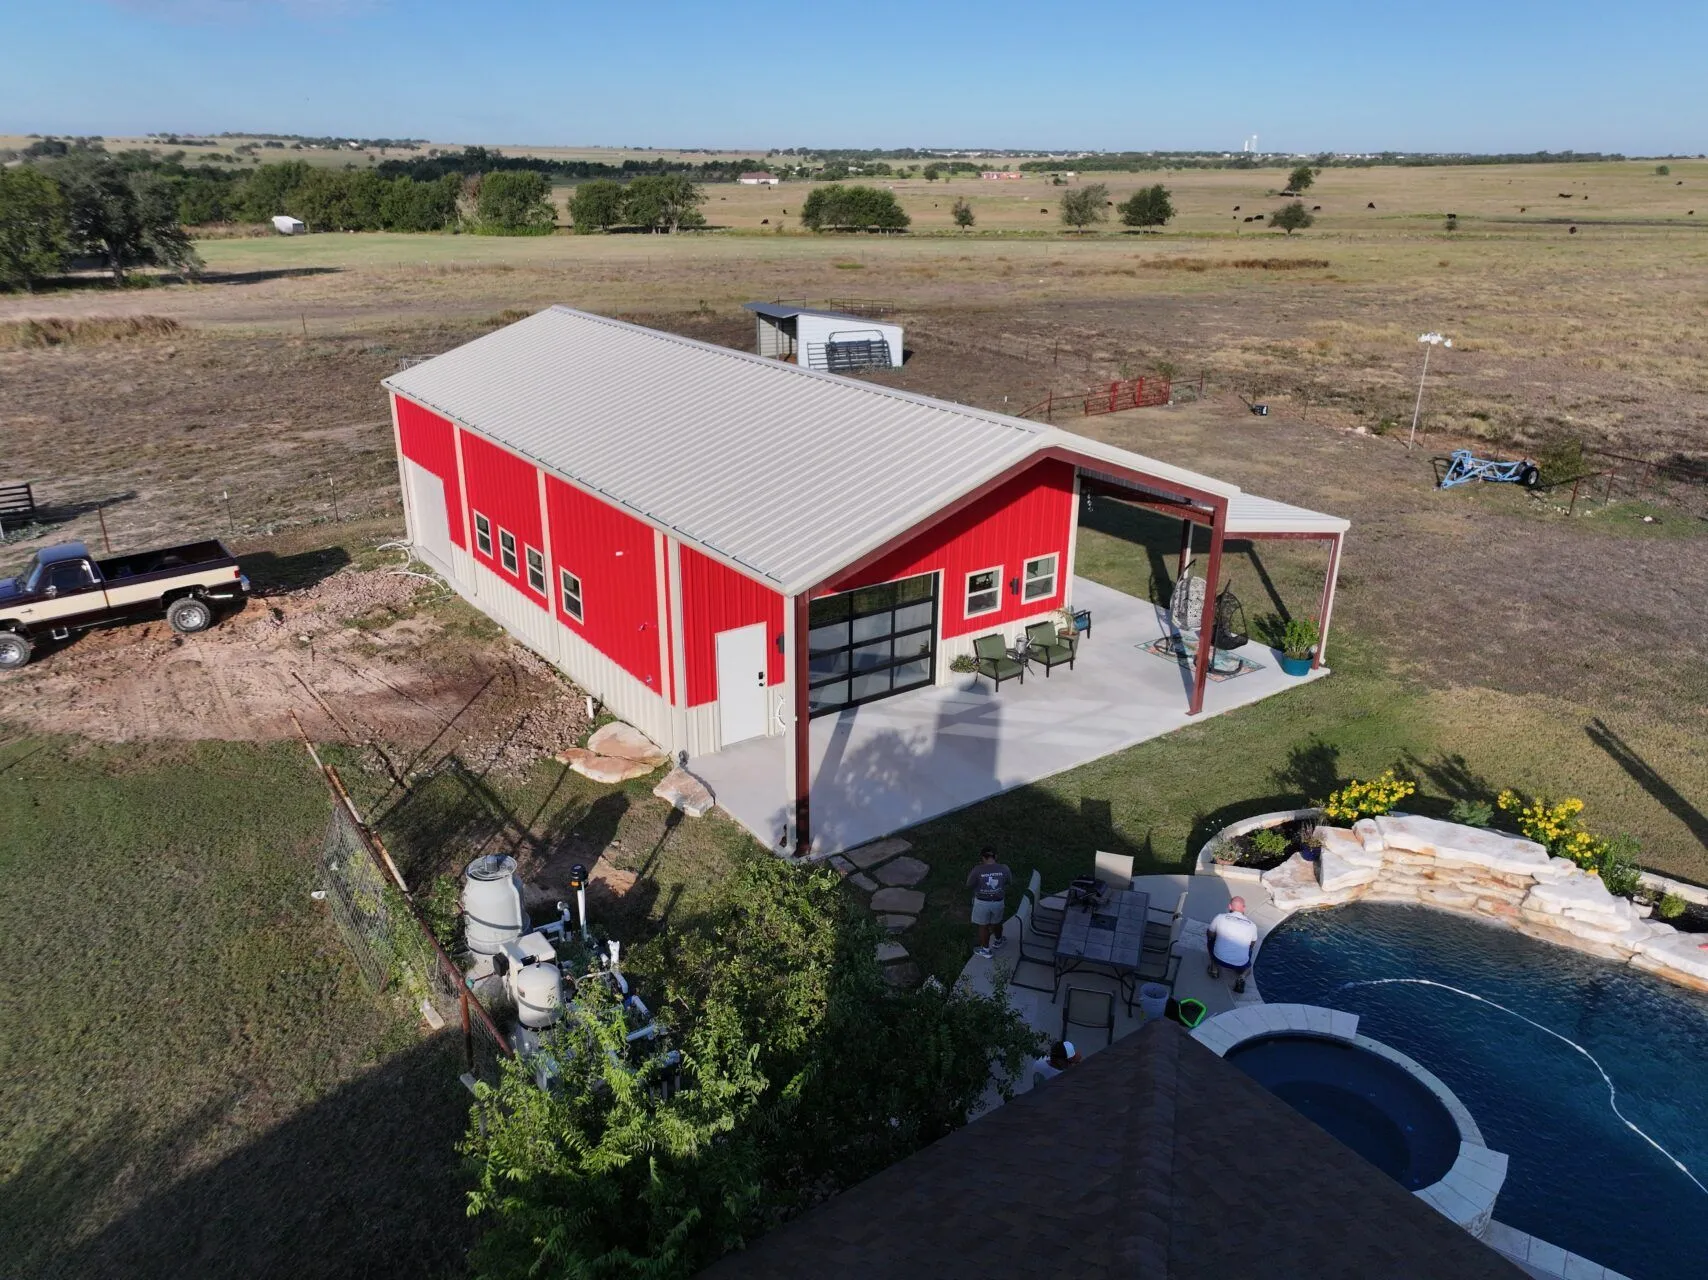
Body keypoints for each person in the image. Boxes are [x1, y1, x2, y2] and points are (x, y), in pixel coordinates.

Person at [1207, 896, 1259, 994]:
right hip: (1241, 963)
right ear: (1244, 908)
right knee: (1249, 954)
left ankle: (1214, 968)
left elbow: (1210, 934)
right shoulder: (1252, 925)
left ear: (1230, 907)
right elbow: (1252, 945)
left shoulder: (1220, 917)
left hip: (1219, 958)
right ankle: (1242, 976)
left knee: (1210, 937)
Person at [967, 846, 1012, 959]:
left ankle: (986, 950)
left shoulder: (977, 870)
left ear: (983, 857)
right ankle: (998, 941)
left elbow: (969, 884)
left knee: (983, 926)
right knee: (997, 922)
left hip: (982, 902)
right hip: (998, 902)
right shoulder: (1004, 868)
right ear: (995, 856)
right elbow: (1009, 881)